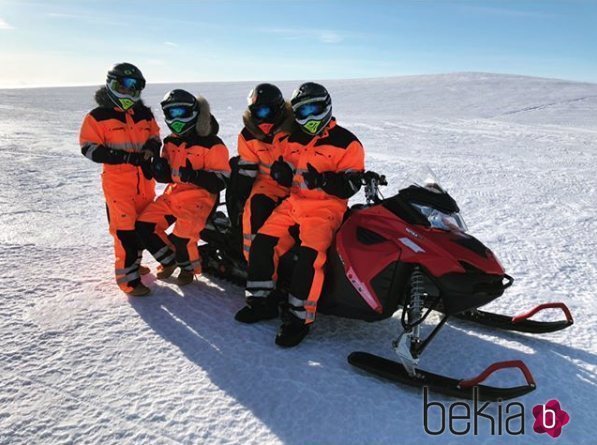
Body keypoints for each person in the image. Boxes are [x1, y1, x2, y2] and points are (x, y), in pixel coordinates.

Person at [236, 82, 365, 347]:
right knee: (262, 242)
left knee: (311, 258)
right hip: (293, 203)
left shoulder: (347, 142)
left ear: (326, 106)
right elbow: (283, 173)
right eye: (302, 111)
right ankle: (262, 301)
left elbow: (351, 185)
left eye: (314, 108)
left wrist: (326, 181)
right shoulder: (290, 139)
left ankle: (298, 318)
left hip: (325, 208)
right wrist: (281, 175)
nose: (309, 117)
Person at [79, 62, 160, 297]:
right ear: (111, 85)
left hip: (144, 183)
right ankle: (129, 281)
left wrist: (151, 149)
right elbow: (89, 148)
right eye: (122, 86)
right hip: (119, 186)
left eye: (133, 87)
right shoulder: (97, 117)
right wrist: (122, 157)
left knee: (140, 227)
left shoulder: (144, 114)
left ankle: (134, 264)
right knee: (124, 231)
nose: (127, 92)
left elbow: (155, 135)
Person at [135, 89, 230, 286]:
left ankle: (188, 267)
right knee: (144, 226)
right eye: (171, 113)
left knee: (182, 239)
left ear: (195, 113)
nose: (176, 118)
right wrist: (157, 168)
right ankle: (170, 261)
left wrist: (195, 176)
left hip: (200, 199)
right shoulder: (171, 141)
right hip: (174, 195)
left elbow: (221, 180)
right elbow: (167, 174)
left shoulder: (212, 144)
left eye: (182, 112)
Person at [231, 83, 292, 261]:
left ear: (279, 109)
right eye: (257, 112)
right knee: (255, 209)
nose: (263, 118)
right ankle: (255, 263)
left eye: (267, 111)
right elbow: (248, 168)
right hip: (266, 184)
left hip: (299, 183)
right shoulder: (248, 135)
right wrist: (239, 195)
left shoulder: (294, 129)